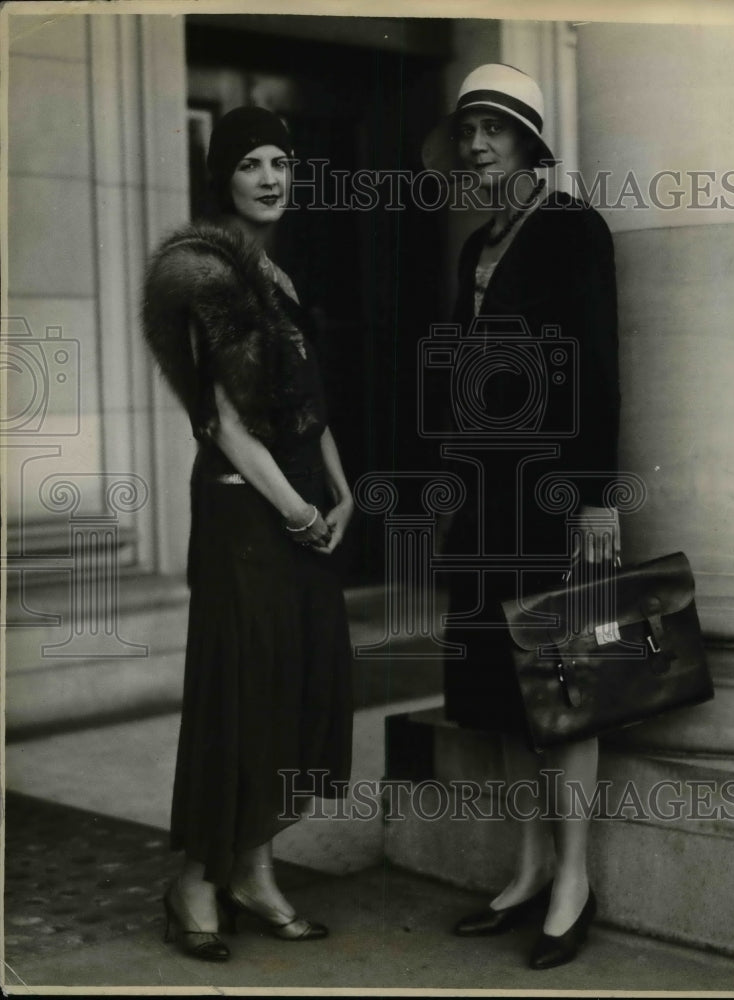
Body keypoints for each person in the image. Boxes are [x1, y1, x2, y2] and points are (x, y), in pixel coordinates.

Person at [142, 107, 354, 961]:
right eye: (250, 165)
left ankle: (256, 872)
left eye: (281, 162)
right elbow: (225, 422)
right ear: (221, 179)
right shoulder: (206, 274)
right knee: (238, 698)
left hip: (300, 509)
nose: (270, 178)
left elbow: (307, 413)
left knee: (288, 692)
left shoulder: (278, 276)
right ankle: (198, 879)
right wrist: (300, 511)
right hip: (245, 516)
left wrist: (344, 493)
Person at [422, 64, 621, 969]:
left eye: (494, 131)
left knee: (563, 692)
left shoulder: (575, 230)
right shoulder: (475, 246)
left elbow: (598, 369)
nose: (475, 147)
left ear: (531, 143)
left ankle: (575, 880)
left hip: (548, 500)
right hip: (482, 501)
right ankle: (530, 866)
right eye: (467, 131)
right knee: (502, 696)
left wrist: (593, 499)